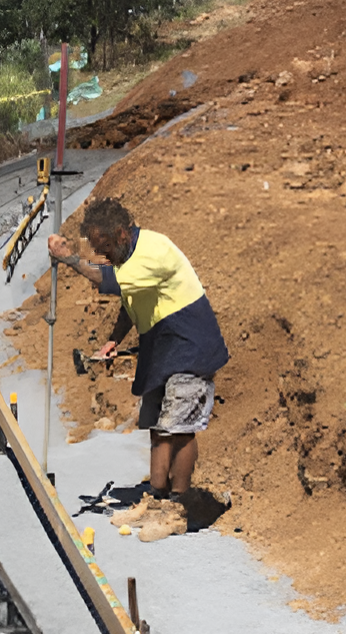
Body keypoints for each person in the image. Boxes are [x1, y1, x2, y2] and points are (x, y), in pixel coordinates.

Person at [47, 197, 229, 540]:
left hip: (190, 345)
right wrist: (114, 339)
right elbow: (132, 302)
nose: (104, 256)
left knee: (180, 427)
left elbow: (105, 280)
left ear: (121, 234)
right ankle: (156, 500)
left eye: (105, 247)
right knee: (159, 427)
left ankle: (177, 509)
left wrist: (67, 258)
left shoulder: (153, 252)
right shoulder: (130, 257)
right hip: (162, 347)